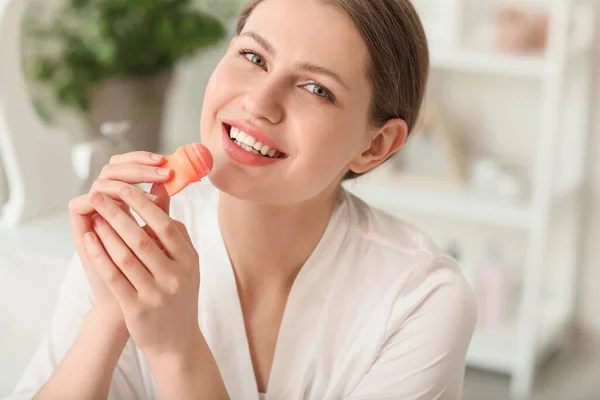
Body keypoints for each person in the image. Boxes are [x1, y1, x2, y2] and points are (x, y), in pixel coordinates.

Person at [12, 0, 477, 399]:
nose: (259, 102)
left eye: (317, 89)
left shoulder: (420, 299)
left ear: (374, 146)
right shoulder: (137, 230)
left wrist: (177, 350)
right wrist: (110, 313)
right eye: (254, 57)